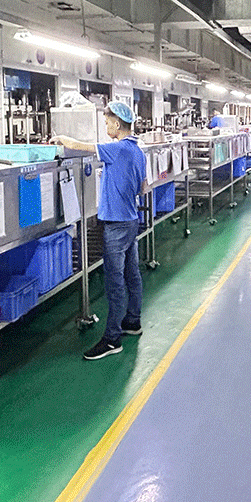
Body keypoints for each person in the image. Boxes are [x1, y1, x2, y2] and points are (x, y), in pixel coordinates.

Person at [51, 102, 147, 360]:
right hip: (131, 219)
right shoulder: (138, 151)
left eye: (106, 123)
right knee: (132, 274)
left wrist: (61, 139)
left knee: (115, 283)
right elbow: (143, 188)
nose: (105, 127)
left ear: (117, 123)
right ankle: (132, 321)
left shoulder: (117, 149)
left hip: (116, 224)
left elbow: (81, 147)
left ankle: (112, 339)